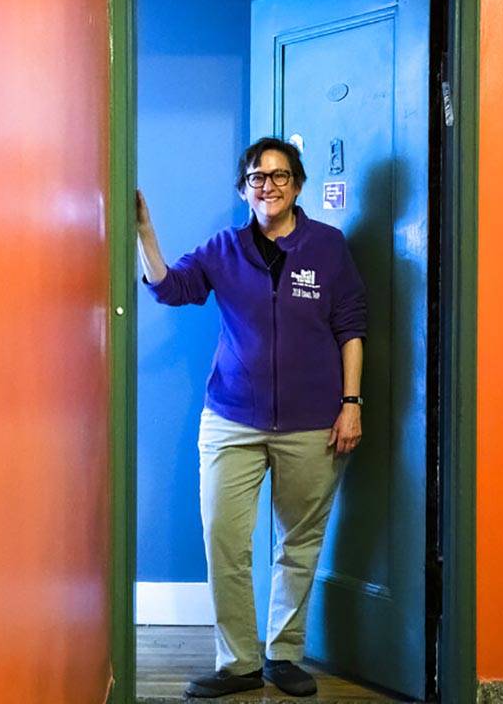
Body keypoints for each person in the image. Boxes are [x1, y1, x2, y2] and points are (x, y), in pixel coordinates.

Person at [137, 136, 366, 699]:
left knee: (299, 541)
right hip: (232, 418)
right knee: (224, 538)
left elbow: (351, 328)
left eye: (280, 175)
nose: (269, 185)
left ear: (298, 185)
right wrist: (144, 232)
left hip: (314, 420)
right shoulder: (224, 248)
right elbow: (172, 288)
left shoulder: (329, 247)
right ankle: (237, 661)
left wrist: (351, 404)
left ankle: (283, 655)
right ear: (244, 189)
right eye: (258, 177)